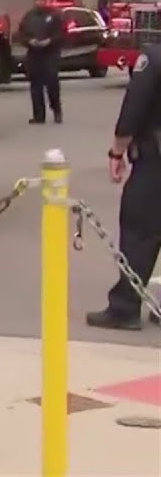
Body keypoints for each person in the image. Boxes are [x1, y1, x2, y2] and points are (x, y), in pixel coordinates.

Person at [85, 43, 161, 331]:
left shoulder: (153, 58)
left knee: (139, 229)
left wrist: (117, 151)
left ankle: (125, 307)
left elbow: (134, 106)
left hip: (156, 163)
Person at [17, 0, 65, 124]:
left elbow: (62, 33)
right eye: (37, 0)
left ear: (47, 1)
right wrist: (29, 41)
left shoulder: (55, 15)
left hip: (50, 54)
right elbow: (21, 34)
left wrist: (50, 41)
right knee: (35, 85)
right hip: (34, 54)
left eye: (43, 0)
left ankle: (57, 111)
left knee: (52, 84)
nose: (40, 2)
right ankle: (39, 115)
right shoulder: (29, 16)